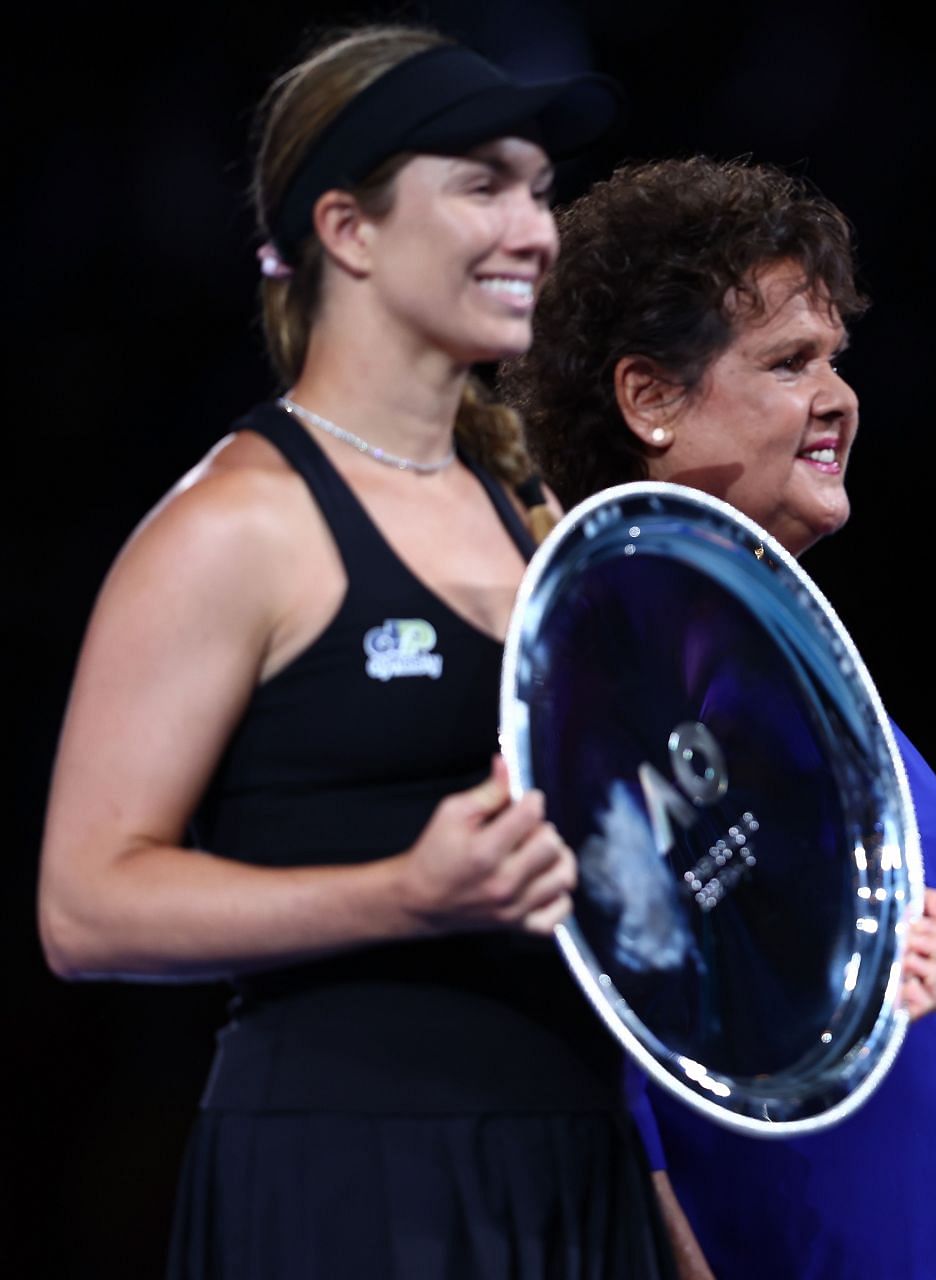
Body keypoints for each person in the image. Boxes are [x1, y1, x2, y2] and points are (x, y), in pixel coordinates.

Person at [35, 26, 695, 1278]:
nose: (536, 230)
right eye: (484, 185)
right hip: (352, 1167)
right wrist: (404, 890)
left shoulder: (534, 511)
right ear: (349, 229)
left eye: (541, 192)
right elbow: (83, 905)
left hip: (574, 1157)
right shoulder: (234, 526)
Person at [500, 156, 936, 1280]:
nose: (839, 397)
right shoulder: (585, 681)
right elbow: (595, 1061)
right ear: (649, 399)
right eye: (790, 363)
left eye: (837, 359)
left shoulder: (785, 653)